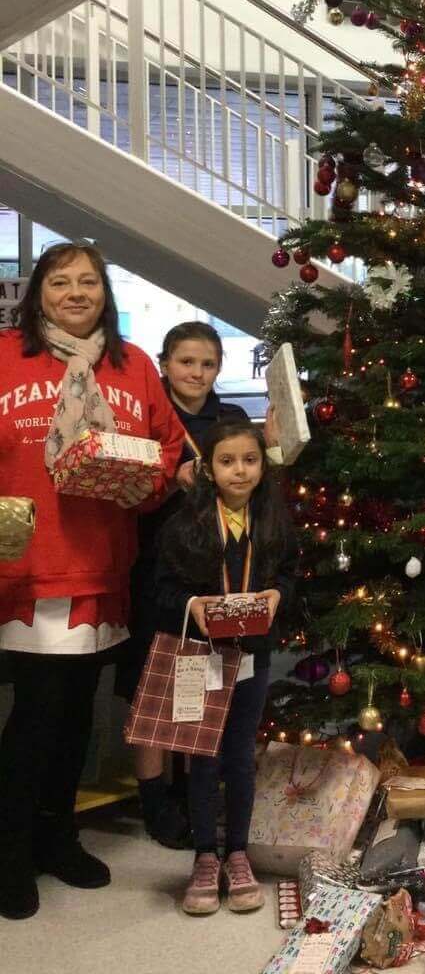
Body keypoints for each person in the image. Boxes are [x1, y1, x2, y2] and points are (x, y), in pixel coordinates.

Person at [0, 243, 187, 920]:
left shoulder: (132, 365)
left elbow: (167, 445)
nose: (75, 293)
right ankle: (10, 851)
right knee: (38, 715)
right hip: (30, 566)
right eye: (60, 282)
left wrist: (150, 478)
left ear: (104, 292)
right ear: (38, 293)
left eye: (88, 282)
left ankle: (56, 836)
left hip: (104, 566)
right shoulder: (5, 356)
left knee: (79, 714)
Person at [118, 323, 280, 849]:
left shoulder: (229, 419)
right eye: (186, 362)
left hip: (221, 572)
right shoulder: (147, 413)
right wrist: (171, 478)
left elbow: (252, 472)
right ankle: (154, 800)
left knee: (208, 688)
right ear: (165, 363)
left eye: (208, 364)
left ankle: (195, 796)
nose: (197, 373)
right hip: (159, 565)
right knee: (155, 685)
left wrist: (274, 445)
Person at [154, 419, 296, 916]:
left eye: (250, 460)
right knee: (202, 759)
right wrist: (193, 604)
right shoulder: (185, 524)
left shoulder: (273, 521)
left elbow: (289, 575)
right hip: (201, 658)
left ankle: (237, 852)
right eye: (228, 461)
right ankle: (204, 857)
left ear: (263, 465)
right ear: (209, 469)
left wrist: (278, 593)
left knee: (239, 756)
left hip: (252, 656)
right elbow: (161, 589)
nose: (240, 470)